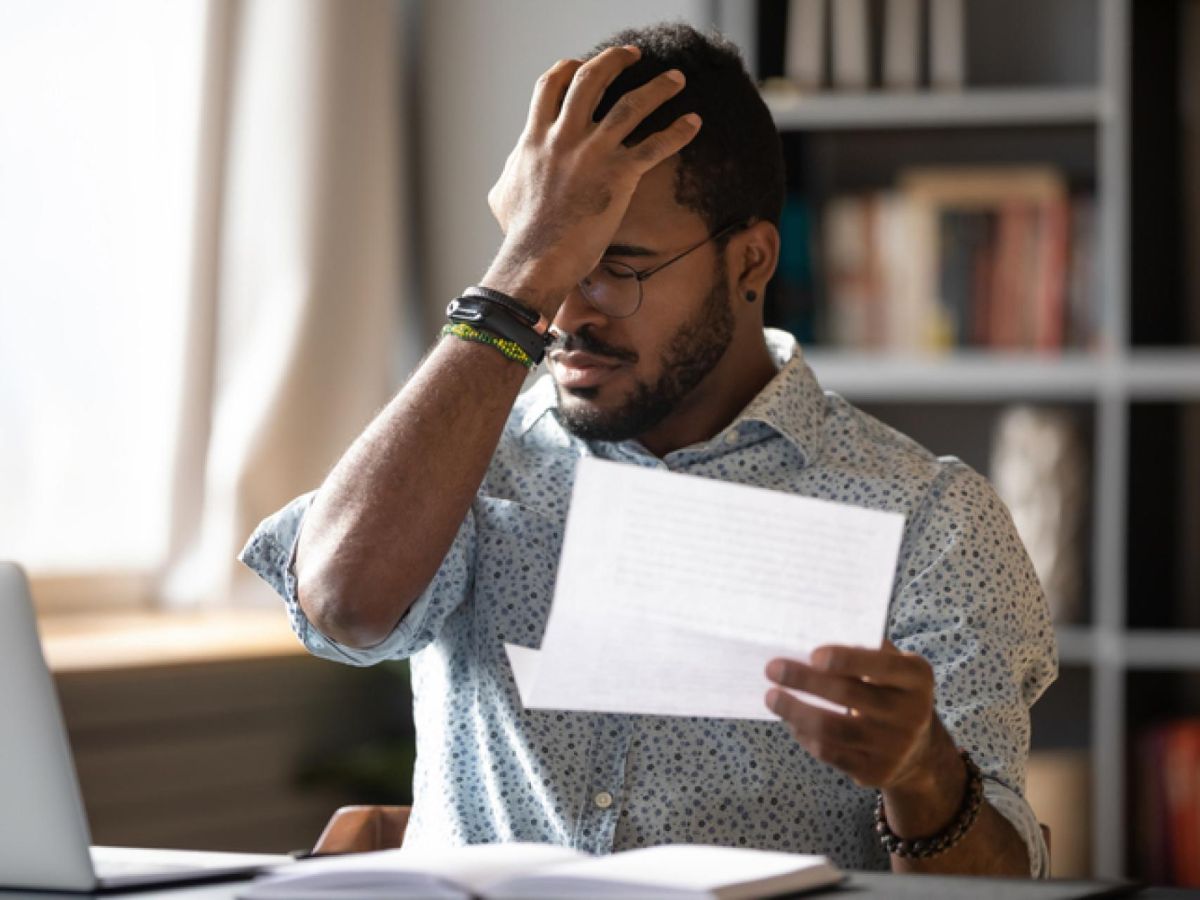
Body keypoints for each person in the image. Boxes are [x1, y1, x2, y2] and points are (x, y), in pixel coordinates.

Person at [241, 23, 1057, 877]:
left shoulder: (928, 520)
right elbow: (341, 605)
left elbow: (1000, 893)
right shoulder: (470, 462)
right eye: (553, 263)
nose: (566, 316)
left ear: (750, 263)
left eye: (615, 266)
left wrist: (925, 774)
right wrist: (523, 268)